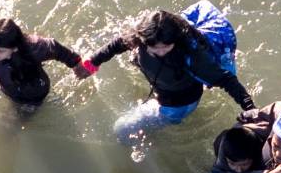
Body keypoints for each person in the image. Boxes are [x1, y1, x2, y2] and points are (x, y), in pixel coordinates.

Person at [84, 9, 255, 143]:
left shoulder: (190, 54)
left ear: (176, 40)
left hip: (179, 104)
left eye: (166, 47)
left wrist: (249, 107)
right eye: (154, 47)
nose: (160, 52)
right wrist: (92, 63)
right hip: (163, 87)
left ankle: (167, 125)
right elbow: (115, 45)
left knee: (121, 129)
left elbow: (225, 79)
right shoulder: (140, 38)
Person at [0, 18, 93, 121]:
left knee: (14, 124)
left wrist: (76, 63)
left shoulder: (33, 47)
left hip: (35, 91)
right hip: (9, 87)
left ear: (15, 48)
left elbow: (54, 47)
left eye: (0, 51)